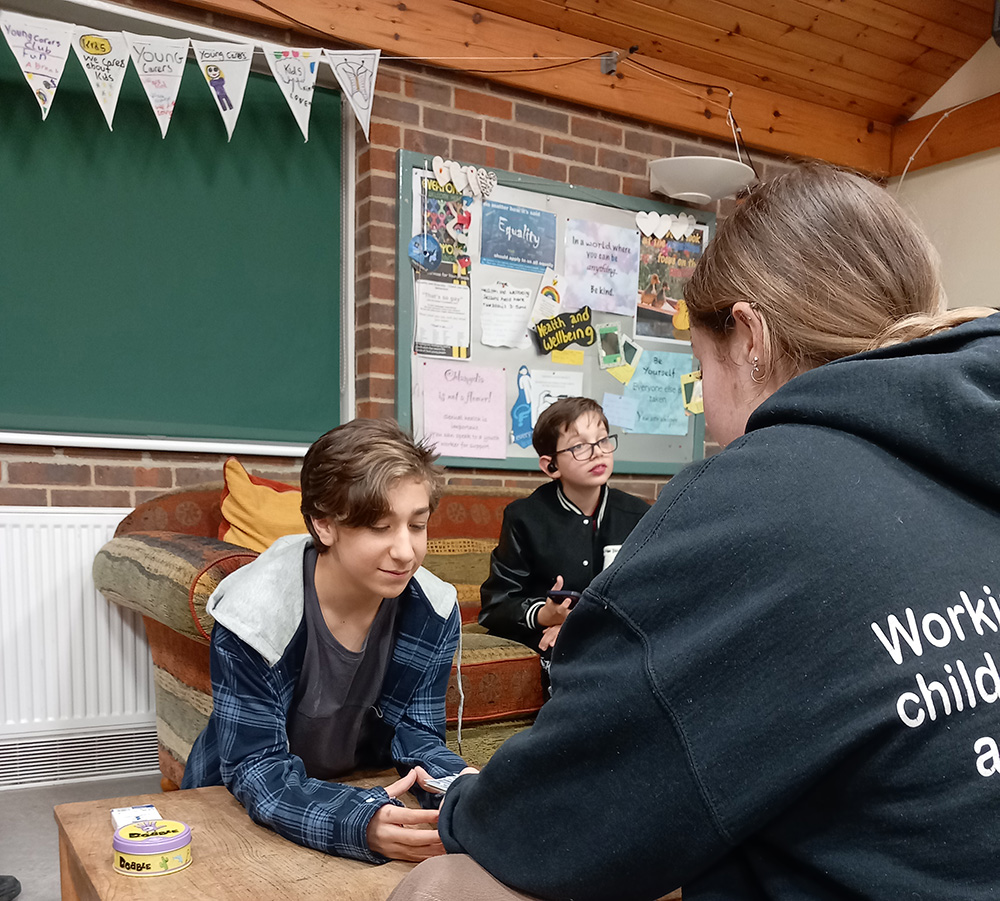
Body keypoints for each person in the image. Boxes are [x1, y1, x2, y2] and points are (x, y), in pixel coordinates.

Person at [388, 164, 1000, 900]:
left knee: (439, 886)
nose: (708, 416)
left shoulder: (750, 499)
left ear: (749, 338)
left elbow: (554, 822)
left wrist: (466, 803)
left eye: (701, 369)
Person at [182, 418, 474, 863]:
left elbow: (417, 734)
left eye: (417, 525)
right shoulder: (251, 615)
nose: (405, 551)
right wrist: (359, 822)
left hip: (351, 787)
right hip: (231, 804)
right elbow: (255, 768)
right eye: (380, 527)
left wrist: (465, 790)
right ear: (323, 524)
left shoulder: (431, 610)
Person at [478, 397, 649, 654]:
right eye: (580, 446)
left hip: (616, 634)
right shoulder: (525, 517)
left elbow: (649, 593)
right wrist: (546, 616)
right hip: (546, 640)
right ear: (551, 466)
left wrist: (578, 625)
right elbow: (497, 605)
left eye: (602, 440)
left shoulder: (639, 514)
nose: (598, 452)